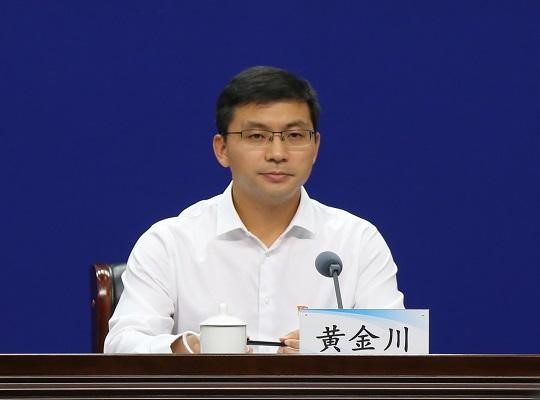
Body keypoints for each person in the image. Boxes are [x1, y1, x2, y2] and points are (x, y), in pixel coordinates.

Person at [104, 66, 404, 354]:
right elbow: (122, 344)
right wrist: (188, 349)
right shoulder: (170, 243)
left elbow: (399, 344)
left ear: (315, 148)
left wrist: (333, 345)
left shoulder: (357, 241)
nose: (277, 154)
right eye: (257, 136)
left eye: (295, 136)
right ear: (222, 149)